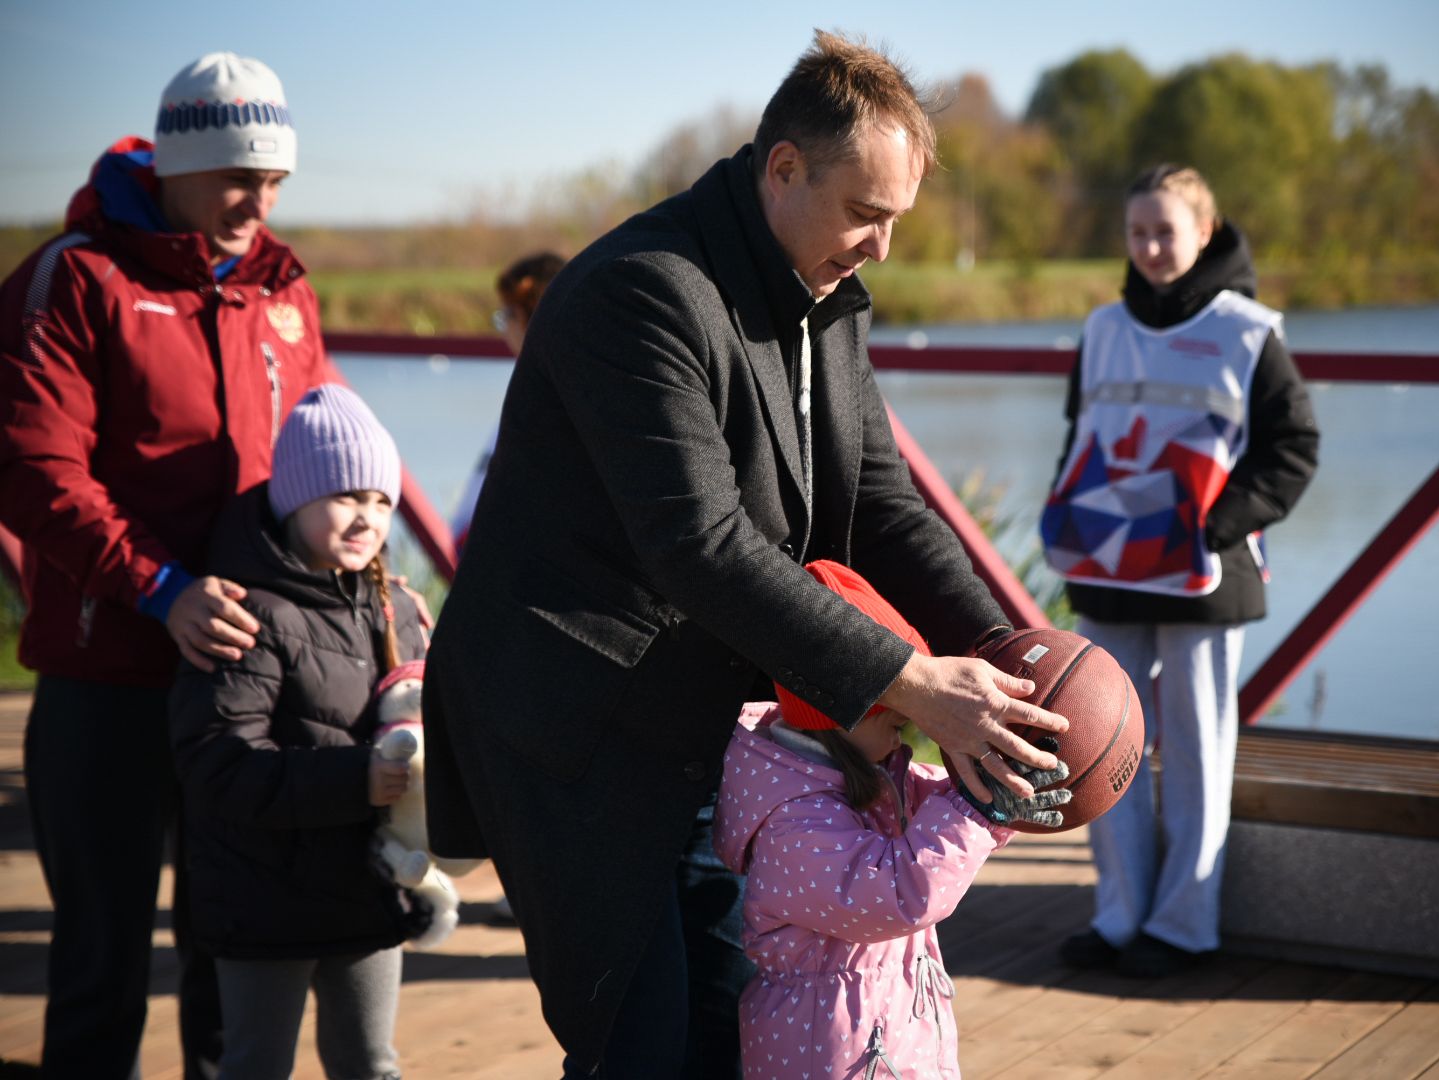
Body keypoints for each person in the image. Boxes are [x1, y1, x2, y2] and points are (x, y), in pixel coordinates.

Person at [424, 30, 1069, 1079]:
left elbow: (884, 505)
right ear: (783, 170)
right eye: (867, 214)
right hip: (573, 729)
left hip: (700, 721)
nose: (882, 248)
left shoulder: (824, 295)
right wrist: (918, 684)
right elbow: (702, 545)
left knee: (727, 1037)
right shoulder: (642, 292)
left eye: (897, 220)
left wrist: (1009, 662)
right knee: (641, 1047)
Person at [0, 51, 335, 1077]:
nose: (258, 203)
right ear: (175, 163)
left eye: (275, 181)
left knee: (229, 960)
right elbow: (32, 467)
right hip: (109, 678)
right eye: (239, 176)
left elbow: (321, 465)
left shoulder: (283, 289)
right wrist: (161, 590)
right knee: (100, 966)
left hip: (245, 681)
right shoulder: (79, 276)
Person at [1041, 164, 1319, 977]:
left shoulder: (1249, 331)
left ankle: (1184, 927)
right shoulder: (1099, 329)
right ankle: (1120, 918)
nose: (1152, 247)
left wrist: (1217, 527)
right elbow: (1077, 442)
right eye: (1137, 233)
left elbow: (1294, 449)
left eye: (1167, 231)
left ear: (1206, 231)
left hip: (1205, 574)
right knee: (1100, 746)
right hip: (1106, 569)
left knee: (1199, 753)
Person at [715, 560, 1070, 1079]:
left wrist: (997, 789)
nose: (906, 737)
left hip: (891, 1035)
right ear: (851, 716)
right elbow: (899, 893)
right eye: (901, 721)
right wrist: (977, 810)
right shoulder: (792, 822)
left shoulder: (875, 772)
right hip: (827, 1056)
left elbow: (946, 807)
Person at [169, 384, 428, 1078]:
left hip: (366, 886)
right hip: (261, 898)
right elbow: (217, 762)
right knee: (256, 1063)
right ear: (294, 501)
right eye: (344, 496)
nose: (366, 517)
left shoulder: (393, 605)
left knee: (371, 1062)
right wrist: (358, 778)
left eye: (381, 501)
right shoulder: (243, 616)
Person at [449, 251, 569, 551]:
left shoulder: (552, 397)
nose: (504, 329)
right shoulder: (539, 388)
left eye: (509, 315)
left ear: (535, 315)